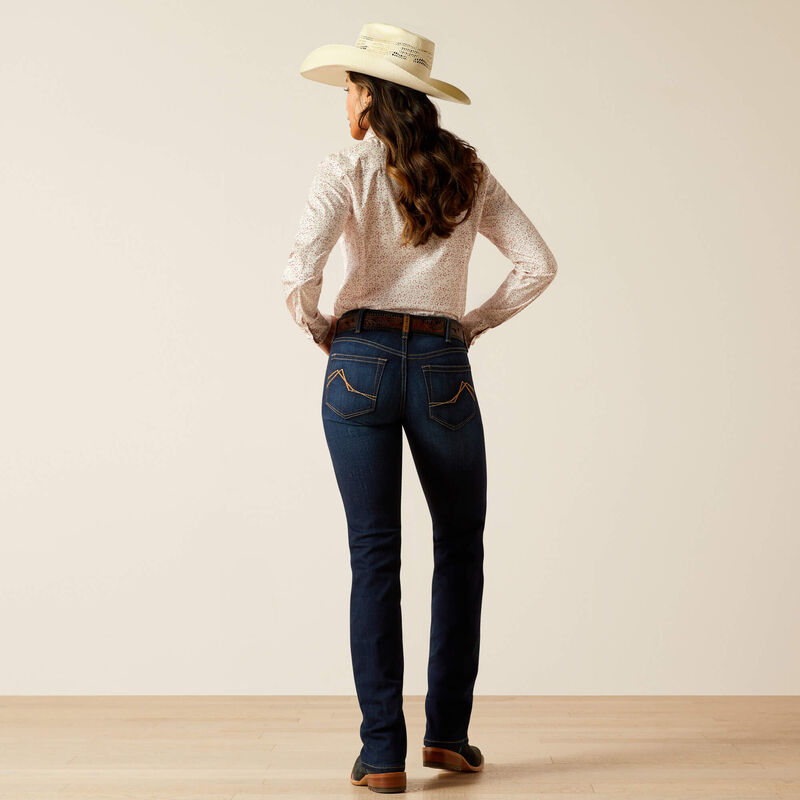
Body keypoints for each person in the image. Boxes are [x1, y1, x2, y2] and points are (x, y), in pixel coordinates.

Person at [282, 22, 558, 794]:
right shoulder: (467, 171)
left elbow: (298, 272)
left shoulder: (346, 167)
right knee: (459, 549)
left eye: (350, 89)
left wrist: (322, 330)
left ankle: (381, 754)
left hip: (358, 363)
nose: (345, 102)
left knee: (374, 554)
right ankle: (448, 736)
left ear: (372, 98)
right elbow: (539, 263)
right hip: (442, 365)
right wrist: (471, 324)